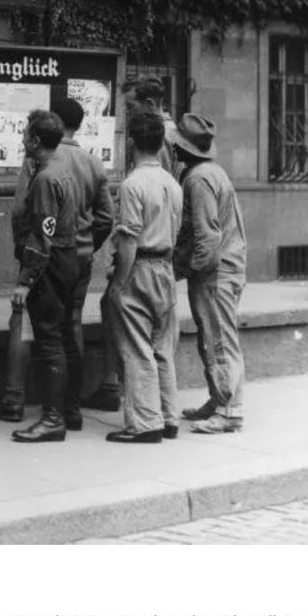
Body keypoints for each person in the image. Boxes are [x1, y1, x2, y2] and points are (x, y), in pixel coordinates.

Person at [0, 98, 114, 428]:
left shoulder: (41, 165)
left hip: (45, 258)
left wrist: (26, 265)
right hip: (78, 258)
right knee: (72, 327)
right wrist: (88, 245)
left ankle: (15, 400)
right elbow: (106, 217)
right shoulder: (92, 162)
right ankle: (71, 407)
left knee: (25, 326)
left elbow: (23, 213)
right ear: (79, 125)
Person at [84, 74, 180, 410]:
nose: (125, 115)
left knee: (133, 330)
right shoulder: (168, 137)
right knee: (156, 338)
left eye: (130, 106)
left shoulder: (157, 139)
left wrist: (121, 278)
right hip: (158, 254)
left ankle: (131, 401)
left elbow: (151, 202)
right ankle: (160, 410)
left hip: (141, 253)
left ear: (150, 105)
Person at [103, 113, 183, 443]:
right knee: (163, 346)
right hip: (166, 268)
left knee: (136, 347)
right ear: (162, 142)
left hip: (141, 267)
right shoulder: (172, 183)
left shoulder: (133, 184)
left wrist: (119, 283)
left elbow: (128, 239)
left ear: (131, 142)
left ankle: (145, 423)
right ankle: (168, 416)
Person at [170, 113, 248, 434]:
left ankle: (229, 411)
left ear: (182, 150)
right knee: (214, 338)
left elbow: (208, 239)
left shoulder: (198, 179)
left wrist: (184, 270)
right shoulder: (209, 172)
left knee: (219, 342)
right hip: (222, 269)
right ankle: (219, 400)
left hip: (215, 274)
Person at [10, 111, 81, 443]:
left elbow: (41, 234)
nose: (23, 139)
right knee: (61, 336)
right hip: (67, 258)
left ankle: (52, 419)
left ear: (36, 141)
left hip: (49, 264)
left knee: (49, 339)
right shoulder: (64, 169)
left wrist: (26, 280)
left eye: (25, 135)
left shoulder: (43, 179)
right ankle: (60, 412)